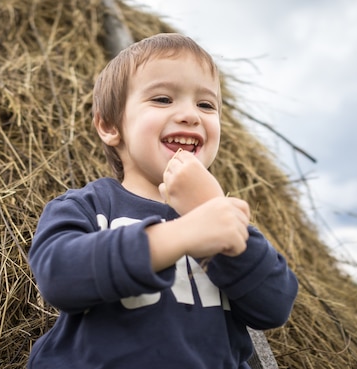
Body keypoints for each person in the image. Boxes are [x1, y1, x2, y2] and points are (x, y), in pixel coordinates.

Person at [27, 33, 298, 368]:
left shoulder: (223, 219)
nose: (190, 115)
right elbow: (59, 277)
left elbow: (275, 305)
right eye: (162, 99)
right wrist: (182, 235)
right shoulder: (89, 206)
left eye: (206, 104)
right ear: (110, 126)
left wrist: (208, 210)